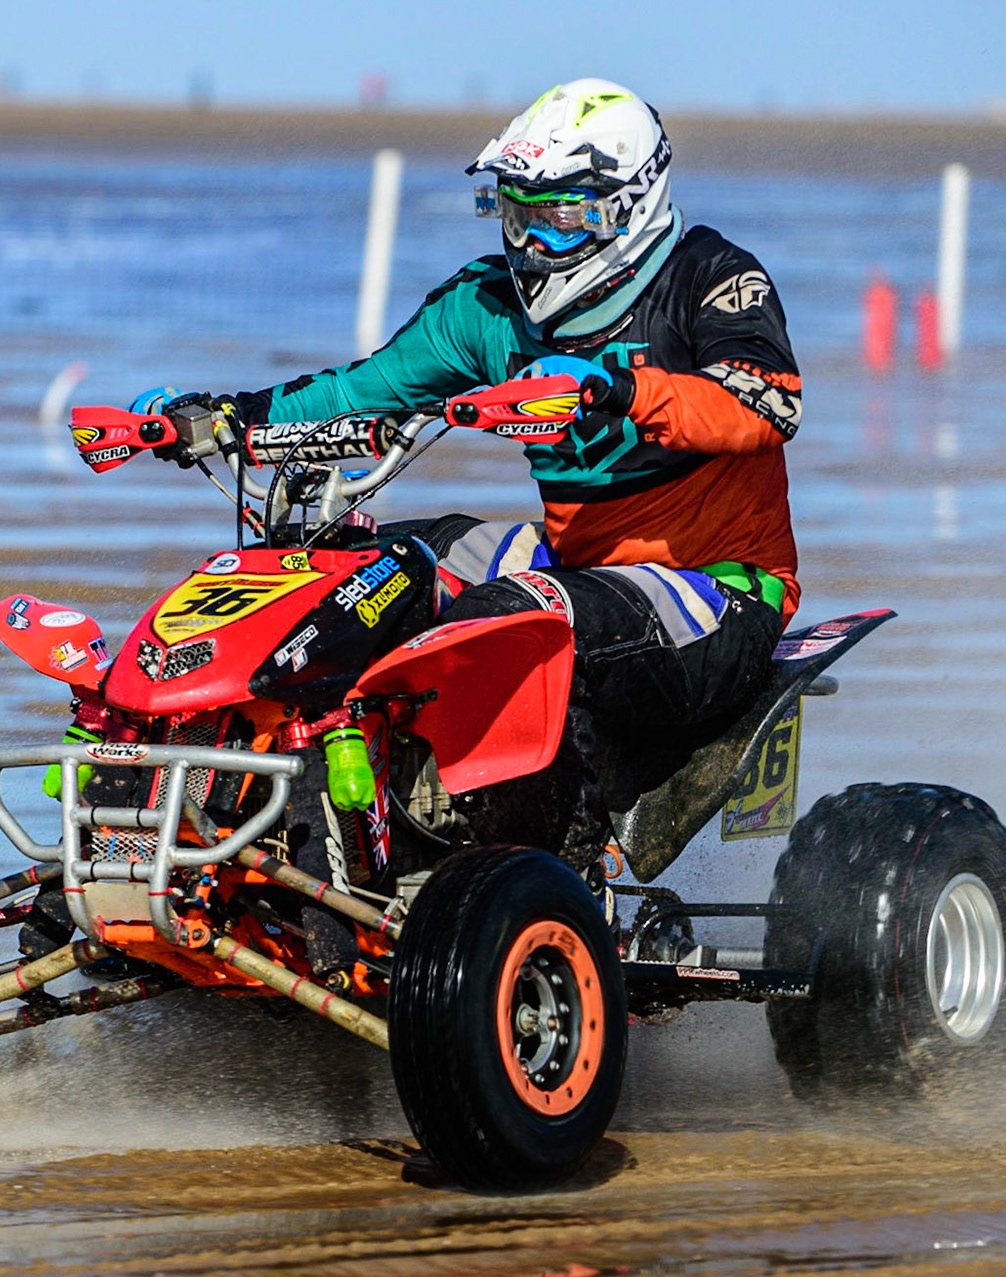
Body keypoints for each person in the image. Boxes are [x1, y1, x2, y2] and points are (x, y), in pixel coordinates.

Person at [118, 76, 803, 901]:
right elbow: (362, 391)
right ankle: (292, 830)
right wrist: (223, 418)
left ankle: (556, 878)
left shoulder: (711, 276)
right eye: (516, 214)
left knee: (506, 621)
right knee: (345, 575)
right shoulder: (486, 306)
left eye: (560, 217)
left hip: (720, 585)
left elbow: (766, 404)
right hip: (575, 560)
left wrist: (615, 389)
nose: (532, 244)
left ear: (627, 208)